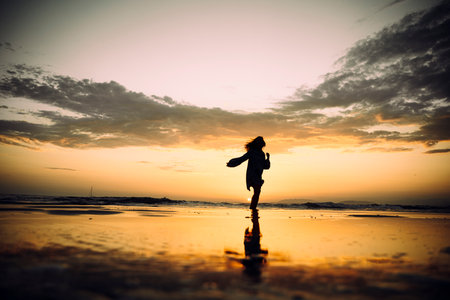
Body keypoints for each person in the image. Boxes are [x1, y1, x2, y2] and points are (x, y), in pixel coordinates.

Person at [226, 136, 270, 209]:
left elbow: (266, 167)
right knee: (257, 192)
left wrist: (268, 158)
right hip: (252, 175)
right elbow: (242, 159)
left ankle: (252, 207)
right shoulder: (252, 152)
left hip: (258, 176)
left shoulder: (262, 154)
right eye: (259, 142)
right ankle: (253, 208)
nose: (261, 144)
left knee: (257, 192)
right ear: (257, 144)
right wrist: (232, 163)